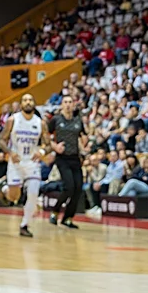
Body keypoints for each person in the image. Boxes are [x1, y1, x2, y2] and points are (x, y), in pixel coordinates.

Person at [0, 92, 50, 237]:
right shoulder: (12, 120)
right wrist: (10, 152)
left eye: (30, 100)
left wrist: (41, 151)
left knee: (33, 194)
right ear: (21, 104)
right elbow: (2, 140)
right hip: (16, 162)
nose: (28, 102)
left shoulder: (40, 123)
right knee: (14, 197)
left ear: (34, 103)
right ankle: (5, 190)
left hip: (32, 163)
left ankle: (24, 225)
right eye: (25, 100)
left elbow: (48, 144)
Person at [48, 94, 87, 228]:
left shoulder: (78, 121)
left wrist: (84, 146)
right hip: (62, 158)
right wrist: (55, 147)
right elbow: (45, 137)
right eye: (66, 102)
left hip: (75, 158)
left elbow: (83, 136)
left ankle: (68, 218)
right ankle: (55, 211)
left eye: (70, 102)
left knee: (78, 189)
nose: (68, 104)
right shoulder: (56, 120)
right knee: (69, 187)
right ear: (62, 104)